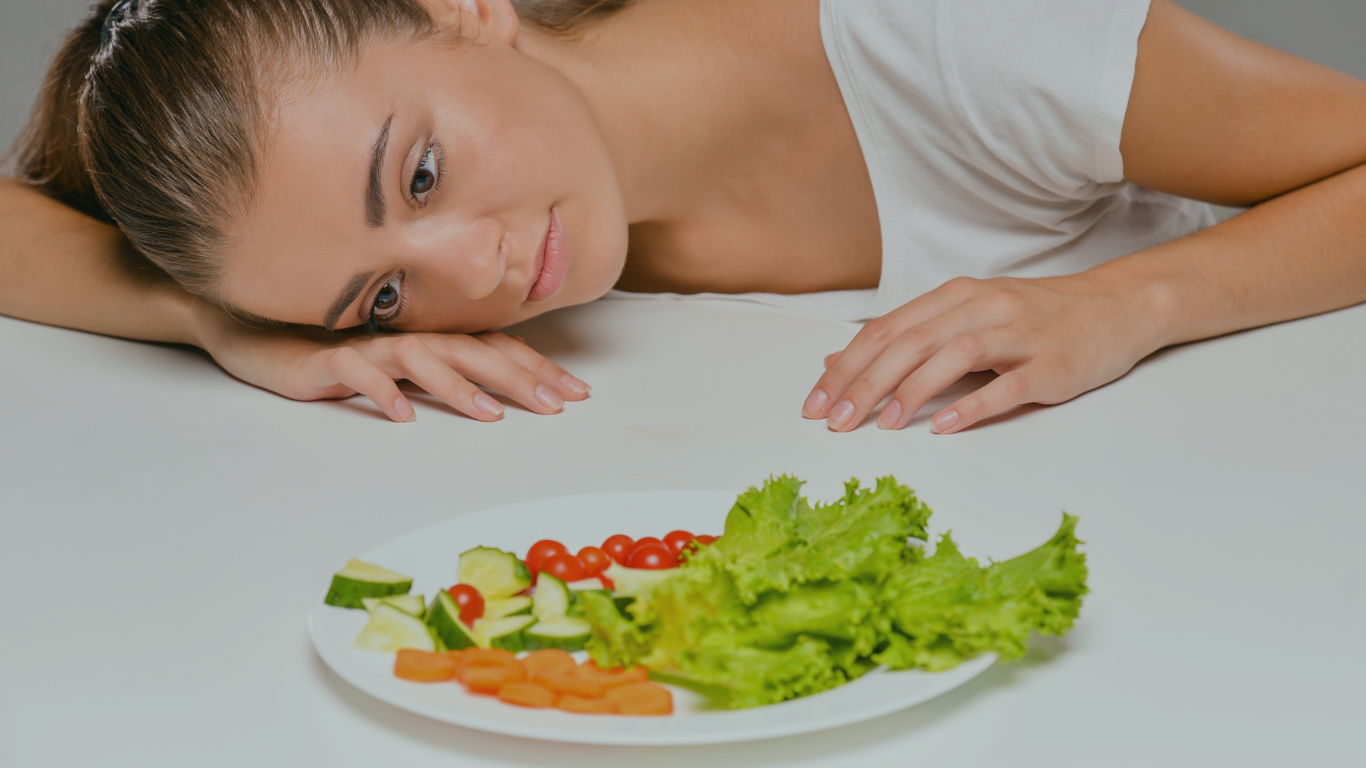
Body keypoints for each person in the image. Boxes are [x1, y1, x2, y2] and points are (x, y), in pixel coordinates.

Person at [2, 0, 1364, 433]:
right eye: (380, 295)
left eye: (417, 177)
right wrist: (222, 323)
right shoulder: (515, 220)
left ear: (464, 10)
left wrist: (1127, 304)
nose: (469, 268)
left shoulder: (957, 35)